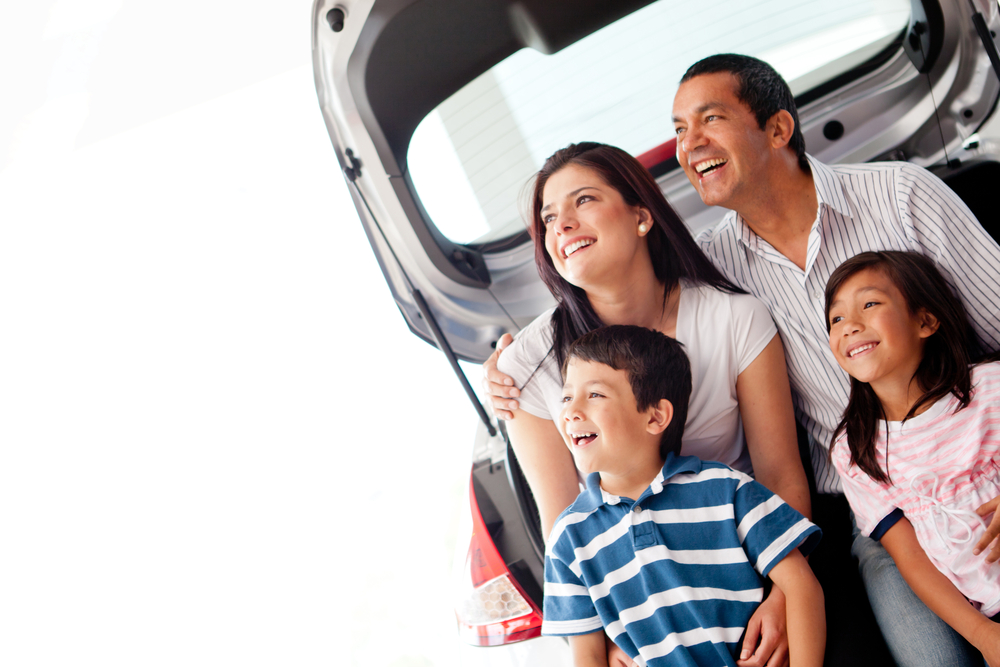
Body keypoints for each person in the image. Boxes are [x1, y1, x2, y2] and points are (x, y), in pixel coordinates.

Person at [669, 53, 1000, 666]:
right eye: (680, 129)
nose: (689, 145)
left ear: (777, 128)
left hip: (983, 461)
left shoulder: (901, 197)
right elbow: (615, 307)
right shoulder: (711, 277)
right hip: (878, 517)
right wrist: (514, 361)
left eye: (709, 119)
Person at [485, 142, 811, 666]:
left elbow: (780, 473)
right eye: (548, 218)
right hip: (641, 614)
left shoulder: (735, 317)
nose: (561, 225)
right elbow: (563, 522)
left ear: (641, 214)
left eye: (582, 201)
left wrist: (784, 596)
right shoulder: (526, 365)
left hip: (753, 567)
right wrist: (606, 640)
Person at [543, 324, 824, 667]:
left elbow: (801, 588)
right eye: (567, 396)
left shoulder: (725, 489)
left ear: (656, 416)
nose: (571, 411)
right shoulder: (568, 539)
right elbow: (587, 656)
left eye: (595, 394)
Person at [825, 251, 1000, 667]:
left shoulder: (989, 389)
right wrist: (984, 636)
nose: (850, 325)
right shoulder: (855, 452)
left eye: (869, 304)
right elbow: (911, 561)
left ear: (925, 321)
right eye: (835, 319)